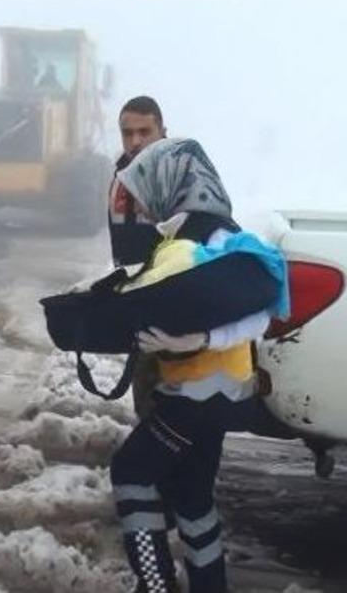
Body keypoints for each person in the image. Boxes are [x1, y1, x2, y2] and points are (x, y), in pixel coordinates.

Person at [109, 138, 285, 593]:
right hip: (212, 394)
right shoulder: (186, 232)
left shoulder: (216, 235)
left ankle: (155, 583)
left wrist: (201, 338)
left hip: (199, 394)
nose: (145, 208)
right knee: (191, 497)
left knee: (132, 472)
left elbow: (262, 310)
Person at [106, 96, 168, 421]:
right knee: (145, 398)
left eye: (145, 132)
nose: (136, 141)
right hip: (138, 300)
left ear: (162, 130)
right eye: (127, 133)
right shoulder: (122, 173)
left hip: (173, 306)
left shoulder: (176, 174)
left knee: (172, 406)